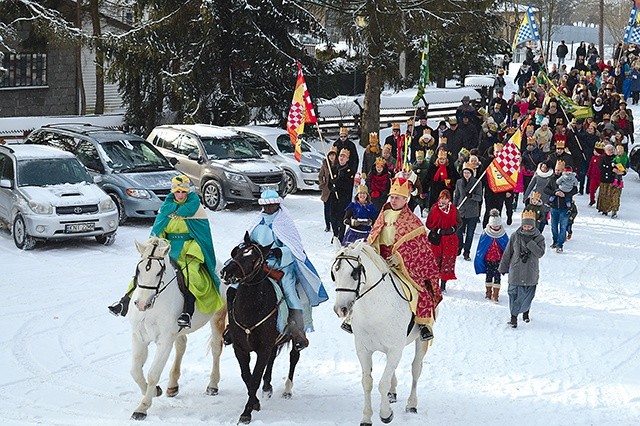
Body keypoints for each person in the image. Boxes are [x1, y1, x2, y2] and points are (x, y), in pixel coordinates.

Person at [108, 175, 223, 328]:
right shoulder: (166, 208)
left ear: (188, 192)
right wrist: (156, 246)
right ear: (173, 191)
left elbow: (202, 236)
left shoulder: (196, 209)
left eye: (183, 192)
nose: (180, 195)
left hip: (189, 248)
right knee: (146, 269)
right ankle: (125, 301)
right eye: (177, 191)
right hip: (166, 248)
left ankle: (187, 312)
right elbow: (158, 232)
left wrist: (193, 251)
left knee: (191, 275)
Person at [235, 190, 329, 351]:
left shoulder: (284, 222)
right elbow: (249, 239)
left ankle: (296, 329)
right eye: (265, 205)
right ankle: (233, 325)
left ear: (278, 204)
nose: (269, 208)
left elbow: (294, 247)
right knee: (235, 285)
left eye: (272, 205)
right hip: (257, 262)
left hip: (281, 265)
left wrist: (280, 252)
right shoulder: (258, 221)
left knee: (290, 291)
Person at [366, 177, 442, 341]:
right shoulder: (384, 213)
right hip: (381, 259)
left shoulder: (413, 221)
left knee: (418, 290)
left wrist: (400, 258)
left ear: (405, 199)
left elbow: (419, 248)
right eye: (392, 197)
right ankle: (352, 317)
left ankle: (423, 325)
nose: (393, 201)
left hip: (403, 266)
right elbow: (374, 236)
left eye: (397, 198)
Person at [499, 210, 546, 329]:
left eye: (529, 226)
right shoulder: (515, 235)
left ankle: (525, 312)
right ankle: (513, 317)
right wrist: (503, 266)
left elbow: (540, 253)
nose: (526, 228)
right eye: (524, 225)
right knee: (513, 293)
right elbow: (508, 252)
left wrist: (531, 244)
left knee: (527, 294)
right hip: (516, 269)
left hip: (530, 270)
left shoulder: (539, 237)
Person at [426, 189, 461, 293]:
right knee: (435, 262)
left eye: (445, 198)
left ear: (449, 199)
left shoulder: (453, 209)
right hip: (437, 239)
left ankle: (443, 285)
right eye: (441, 198)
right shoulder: (434, 208)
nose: (443, 201)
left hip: (449, 240)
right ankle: (434, 283)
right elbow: (429, 222)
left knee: (446, 262)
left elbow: (459, 222)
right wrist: (436, 230)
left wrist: (453, 229)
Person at [474, 209, 509, 303]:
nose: (495, 227)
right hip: (488, 259)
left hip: (499, 260)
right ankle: (488, 292)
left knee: (497, 276)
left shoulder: (503, 234)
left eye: (497, 226)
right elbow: (481, 247)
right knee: (489, 275)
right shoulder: (485, 233)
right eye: (494, 226)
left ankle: (496, 294)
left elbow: (507, 247)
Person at [544, 160, 577, 253]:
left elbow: (575, 189)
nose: (556, 172)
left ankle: (560, 244)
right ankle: (555, 241)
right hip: (554, 206)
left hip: (565, 207)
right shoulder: (552, 179)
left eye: (559, 170)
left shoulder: (569, 178)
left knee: (563, 226)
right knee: (554, 226)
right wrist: (555, 192)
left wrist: (566, 195)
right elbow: (546, 189)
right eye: (556, 169)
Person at [453, 162, 482, 261]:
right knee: (459, 232)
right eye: (465, 172)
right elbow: (456, 196)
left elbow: (479, 198)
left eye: (468, 173)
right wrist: (454, 207)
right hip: (461, 211)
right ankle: (459, 247)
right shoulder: (459, 182)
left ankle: (467, 252)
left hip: (472, 213)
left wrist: (472, 196)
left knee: (470, 234)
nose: (466, 174)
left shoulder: (477, 183)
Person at [329, 148, 356, 242]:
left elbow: (348, 185)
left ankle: (341, 236)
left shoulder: (350, 171)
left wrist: (338, 184)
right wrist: (332, 186)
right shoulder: (334, 168)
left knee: (341, 218)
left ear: (347, 159)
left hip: (344, 198)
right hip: (334, 197)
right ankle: (335, 233)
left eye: (344, 157)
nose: (341, 158)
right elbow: (330, 183)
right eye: (340, 156)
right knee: (333, 217)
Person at [597, 144, 625, 218]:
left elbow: (623, 166)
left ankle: (614, 210)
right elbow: (601, 167)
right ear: (605, 151)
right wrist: (611, 169)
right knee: (605, 196)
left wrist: (623, 172)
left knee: (615, 196)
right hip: (605, 180)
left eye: (612, 149)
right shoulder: (602, 158)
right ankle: (604, 209)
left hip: (616, 181)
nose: (611, 151)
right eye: (609, 150)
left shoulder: (617, 158)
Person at [319, 146, 338, 232]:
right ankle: (327, 225)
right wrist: (323, 184)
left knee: (333, 208)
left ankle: (334, 223)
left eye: (333, 155)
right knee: (326, 208)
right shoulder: (325, 164)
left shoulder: (338, 165)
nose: (331, 157)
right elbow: (320, 175)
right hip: (327, 189)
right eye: (330, 155)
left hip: (335, 189)